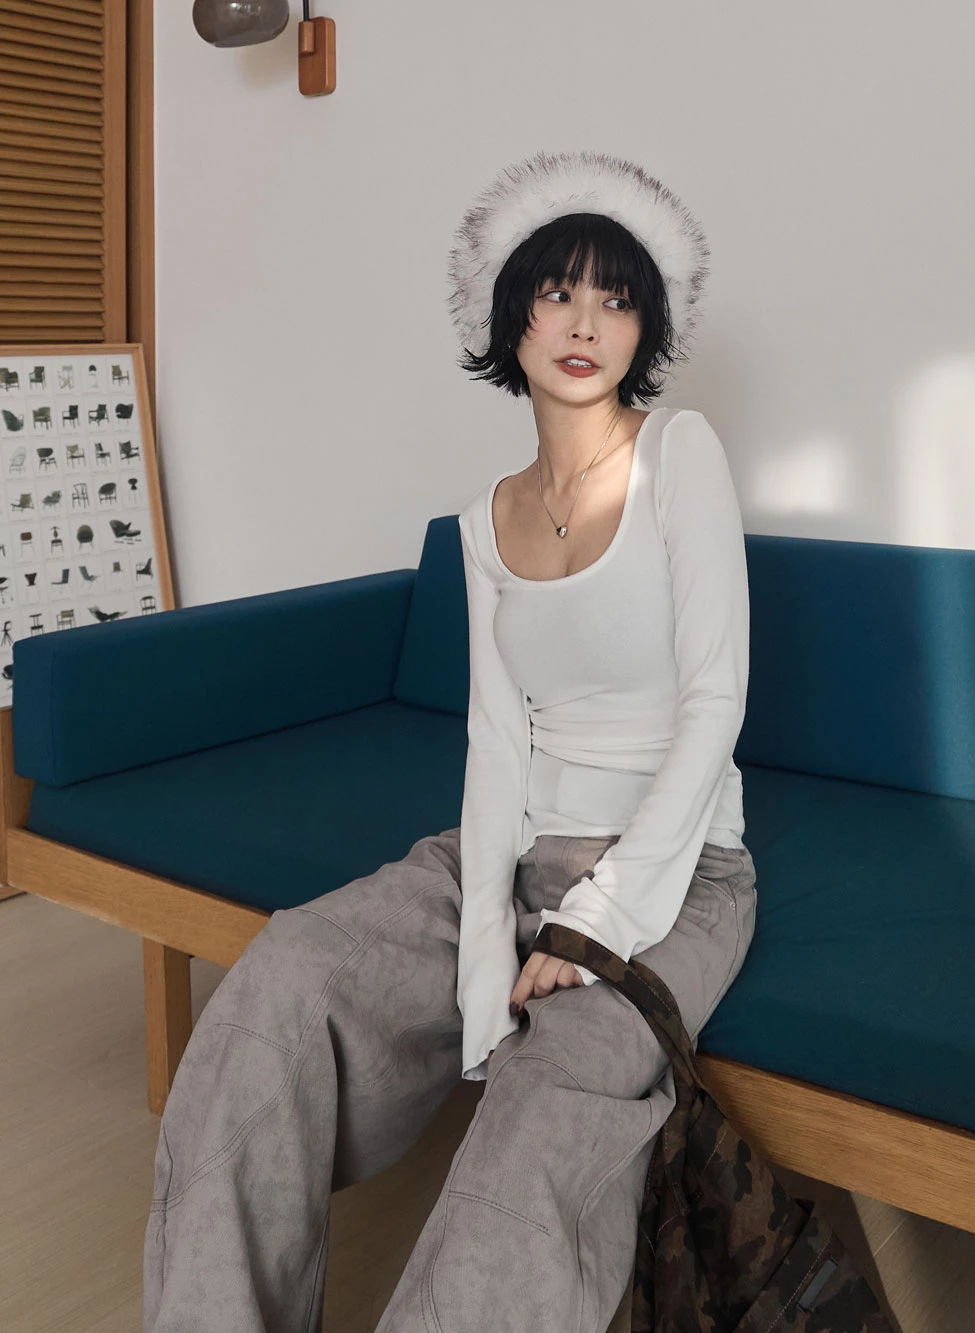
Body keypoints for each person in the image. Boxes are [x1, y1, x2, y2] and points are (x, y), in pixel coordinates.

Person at [142, 149, 757, 1333]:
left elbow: (714, 700)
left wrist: (598, 918)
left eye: (616, 298)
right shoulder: (484, 522)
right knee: (281, 983)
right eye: (557, 292)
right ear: (510, 310)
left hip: (676, 878)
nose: (584, 323)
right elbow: (496, 744)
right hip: (515, 853)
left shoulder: (681, 454)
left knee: (528, 1132)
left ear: (645, 325)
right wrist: (483, 956)